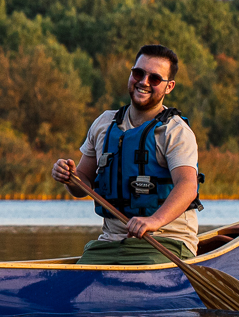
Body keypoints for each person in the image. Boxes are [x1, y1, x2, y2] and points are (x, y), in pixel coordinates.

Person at [49, 43, 202, 265]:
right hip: (111, 243)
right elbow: (82, 185)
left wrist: (154, 221)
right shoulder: (104, 123)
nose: (144, 82)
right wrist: (69, 176)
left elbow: (188, 186)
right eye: (138, 73)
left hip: (166, 243)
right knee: (76, 280)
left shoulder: (175, 132)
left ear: (169, 87)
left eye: (155, 78)